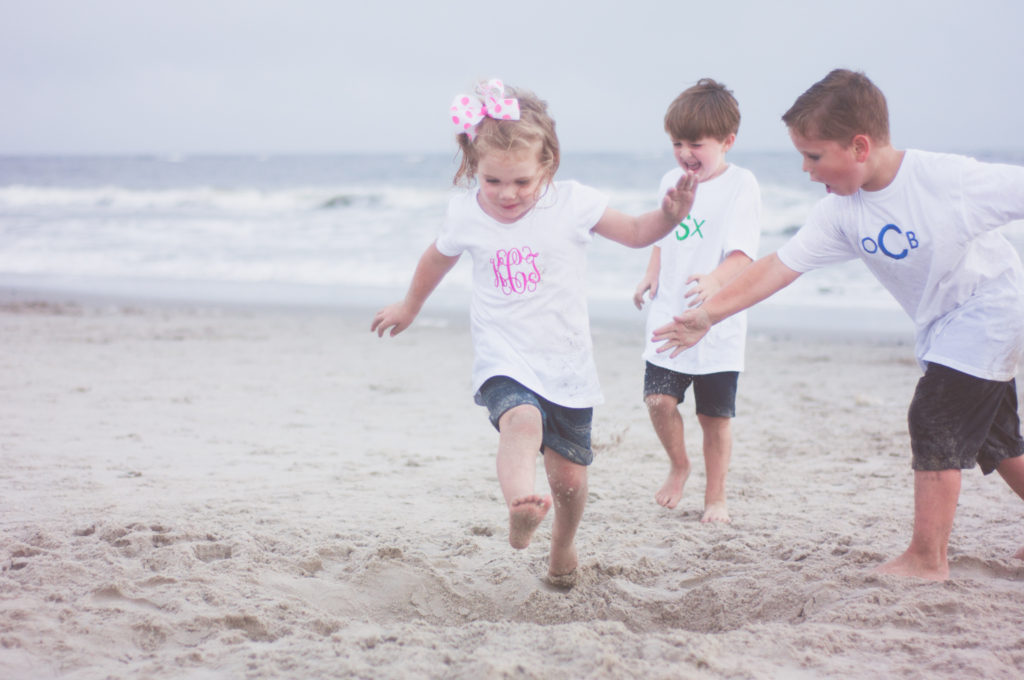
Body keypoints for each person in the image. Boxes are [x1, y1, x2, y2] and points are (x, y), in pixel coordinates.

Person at [652, 68, 1024, 581]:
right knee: (998, 441)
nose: (805, 170)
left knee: (934, 415)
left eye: (814, 155)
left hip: (991, 309)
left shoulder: (944, 181)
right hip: (941, 324)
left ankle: (926, 558)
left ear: (859, 146)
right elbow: (778, 267)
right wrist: (707, 316)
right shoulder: (842, 212)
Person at [371, 79, 697, 586]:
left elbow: (635, 233)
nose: (506, 194)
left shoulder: (573, 204)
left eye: (521, 182)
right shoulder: (466, 213)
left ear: (547, 165)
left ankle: (562, 546)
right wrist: (410, 305)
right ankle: (520, 507)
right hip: (504, 355)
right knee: (520, 421)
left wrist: (669, 217)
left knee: (569, 478)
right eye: (492, 181)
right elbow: (436, 258)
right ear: (473, 167)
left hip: (566, 362)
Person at [632, 79, 761, 523]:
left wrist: (715, 280)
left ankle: (716, 498)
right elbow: (661, 231)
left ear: (727, 141)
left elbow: (744, 254)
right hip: (669, 312)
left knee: (715, 419)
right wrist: (651, 273)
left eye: (696, 143)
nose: (686, 152)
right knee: (658, 401)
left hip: (718, 325)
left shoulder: (741, 185)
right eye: (677, 142)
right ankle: (679, 464)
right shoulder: (672, 179)